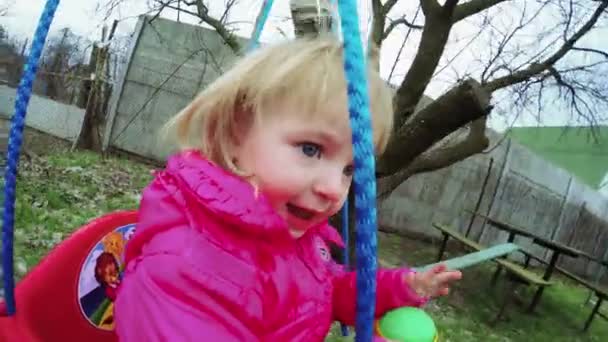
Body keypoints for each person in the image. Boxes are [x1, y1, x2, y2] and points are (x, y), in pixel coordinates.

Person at [114, 36, 461, 341]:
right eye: (311, 149)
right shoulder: (186, 266)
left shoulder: (293, 239)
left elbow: (324, 292)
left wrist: (398, 288)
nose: (333, 188)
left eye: (349, 169)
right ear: (238, 131)